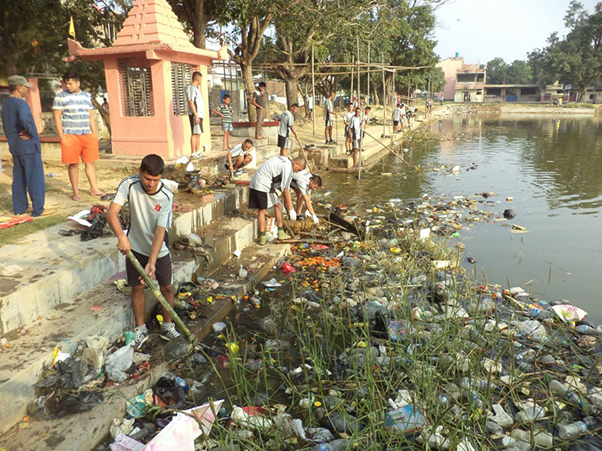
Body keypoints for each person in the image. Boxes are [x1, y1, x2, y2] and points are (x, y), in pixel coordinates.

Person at [106, 154, 181, 350]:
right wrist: (122, 237)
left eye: (155, 180)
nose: (150, 184)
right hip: (135, 247)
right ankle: (141, 329)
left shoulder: (166, 196)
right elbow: (111, 212)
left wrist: (153, 261)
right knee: (137, 288)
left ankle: (167, 326)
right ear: (140, 172)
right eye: (147, 179)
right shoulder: (129, 184)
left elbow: (160, 231)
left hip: (159, 249)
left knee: (166, 288)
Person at [52, 70, 105, 201]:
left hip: (87, 134)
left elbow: (90, 115)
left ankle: (94, 188)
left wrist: (94, 133)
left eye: (70, 83)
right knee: (73, 164)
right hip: (70, 135)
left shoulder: (86, 96)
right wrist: (62, 137)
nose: (68, 86)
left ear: (78, 83)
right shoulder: (60, 97)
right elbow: (57, 117)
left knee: (90, 163)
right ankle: (75, 191)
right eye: (66, 83)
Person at [2, 75, 50, 217]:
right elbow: (24, 119)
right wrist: (31, 133)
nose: (27, 90)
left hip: (15, 145)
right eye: (25, 87)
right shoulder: (21, 103)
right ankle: (38, 209)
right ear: (18, 87)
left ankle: (20, 207)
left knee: (19, 177)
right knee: (34, 177)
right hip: (27, 146)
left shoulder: (6, 104)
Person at [249, 155, 305, 245]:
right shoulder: (288, 167)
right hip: (263, 183)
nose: (297, 172)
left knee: (275, 205)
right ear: (296, 163)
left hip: (259, 181)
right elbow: (285, 190)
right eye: (298, 169)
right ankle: (266, 235)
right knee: (265, 208)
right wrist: (291, 210)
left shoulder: (284, 160)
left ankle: (278, 232)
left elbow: (281, 185)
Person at [187, 71, 204, 155]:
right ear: (198, 79)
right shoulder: (191, 88)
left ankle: (198, 151)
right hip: (195, 114)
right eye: (201, 79)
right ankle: (193, 152)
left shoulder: (196, 89)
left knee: (198, 133)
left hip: (200, 114)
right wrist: (196, 115)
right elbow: (191, 101)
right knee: (194, 133)